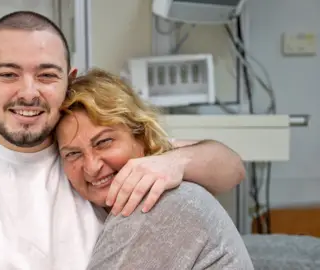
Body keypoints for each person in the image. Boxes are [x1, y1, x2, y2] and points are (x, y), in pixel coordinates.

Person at [0, 11, 246, 270]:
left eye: (46, 75)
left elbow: (230, 167)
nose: (28, 92)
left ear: (67, 81)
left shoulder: (99, 156)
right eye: (8, 74)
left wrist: (173, 161)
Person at [56, 68, 254, 270]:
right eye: (73, 154)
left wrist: (178, 162)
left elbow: (234, 167)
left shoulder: (152, 200)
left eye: (104, 142)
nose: (91, 167)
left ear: (140, 135)